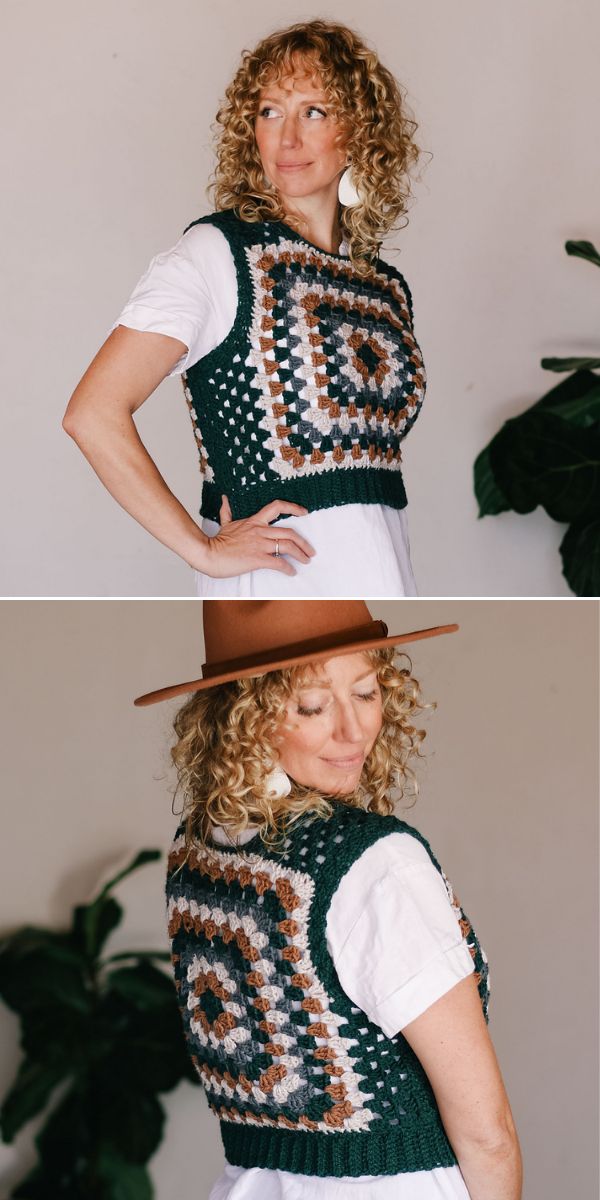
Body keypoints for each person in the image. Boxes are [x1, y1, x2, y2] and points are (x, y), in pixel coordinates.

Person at [134, 601, 523, 1199]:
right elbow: (487, 1133)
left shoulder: (197, 847)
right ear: (245, 714)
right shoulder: (372, 864)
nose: (353, 729)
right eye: (312, 706)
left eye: (367, 693)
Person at [64, 20, 427, 597]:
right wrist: (201, 549)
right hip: (280, 584)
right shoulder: (217, 253)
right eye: (269, 111)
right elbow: (93, 413)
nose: (286, 139)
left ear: (359, 131)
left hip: (386, 576)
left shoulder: (385, 289)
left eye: (314, 112)